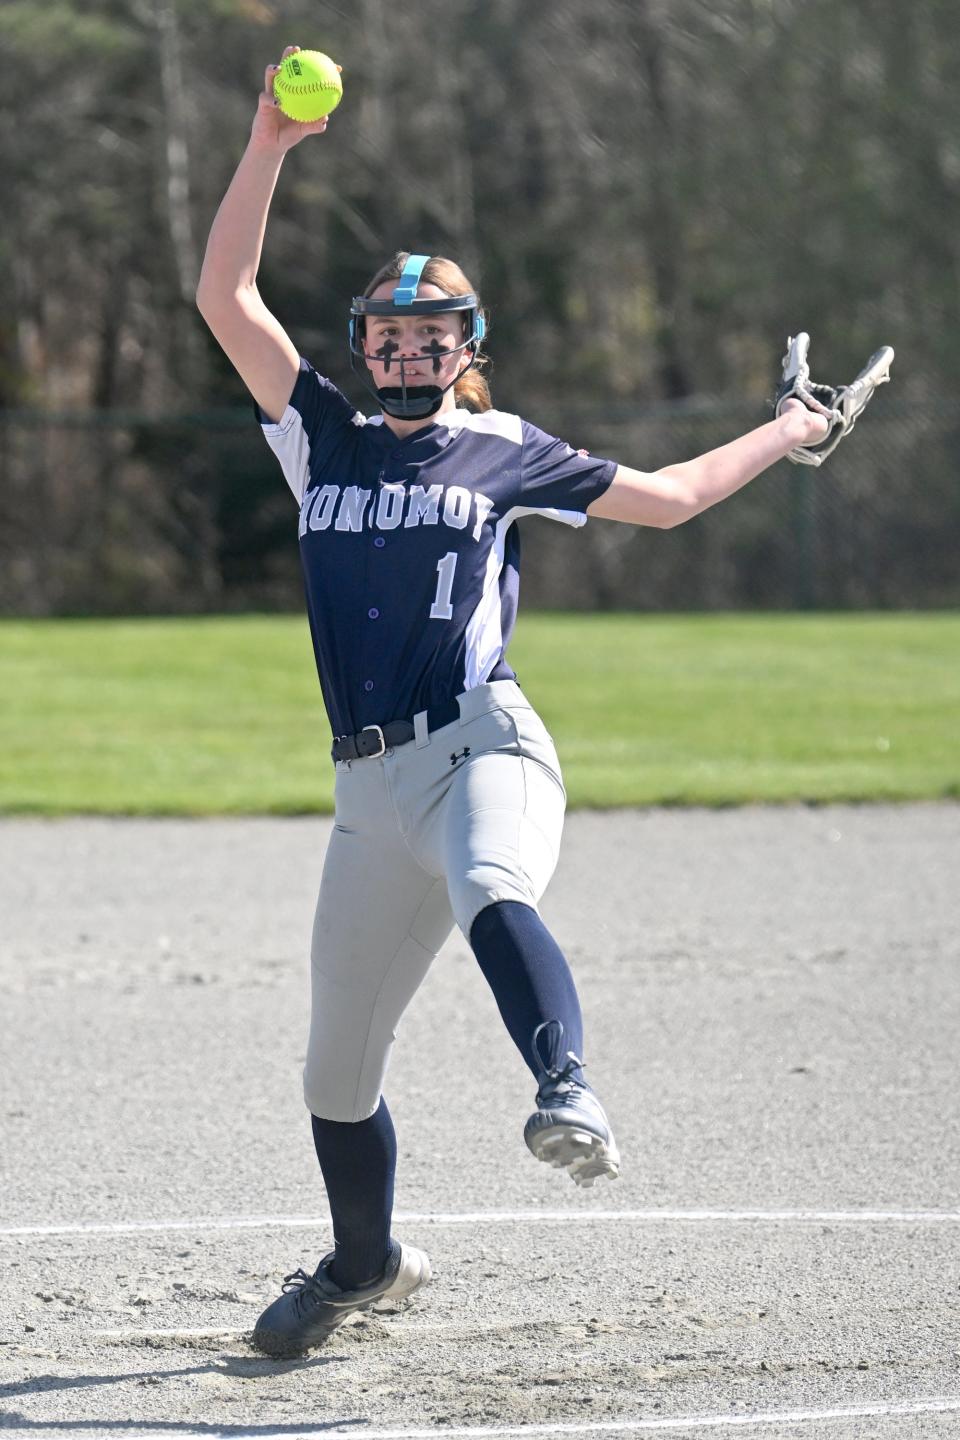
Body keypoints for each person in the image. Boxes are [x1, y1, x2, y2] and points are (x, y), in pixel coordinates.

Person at [196, 47, 832, 1360]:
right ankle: (364, 1266)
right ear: (365, 346)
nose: (407, 342)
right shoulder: (320, 432)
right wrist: (267, 140)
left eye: (433, 330)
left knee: (494, 880)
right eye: (388, 328)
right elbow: (225, 292)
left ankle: (568, 1089)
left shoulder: (504, 447)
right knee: (332, 1074)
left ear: (465, 349)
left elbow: (670, 498)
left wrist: (787, 431)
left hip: (483, 740)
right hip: (368, 794)